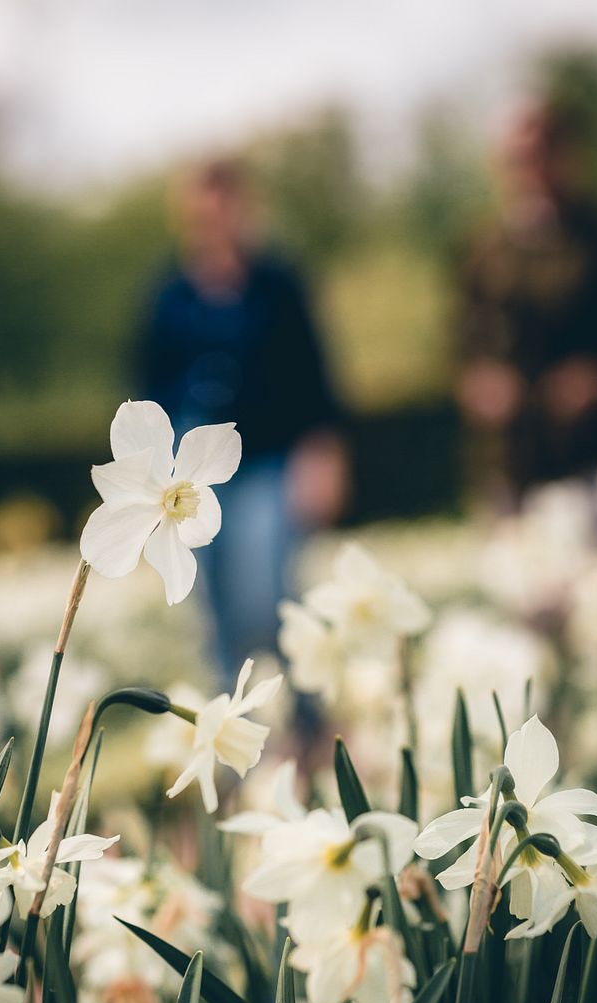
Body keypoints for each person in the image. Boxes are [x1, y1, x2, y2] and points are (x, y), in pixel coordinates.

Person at [137, 158, 346, 681]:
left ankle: (302, 716)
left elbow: (316, 378)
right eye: (203, 212)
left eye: (226, 208)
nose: (215, 222)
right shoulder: (169, 297)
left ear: (245, 209)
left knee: (267, 591)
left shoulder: (280, 286)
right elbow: (147, 396)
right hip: (189, 475)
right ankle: (230, 718)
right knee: (212, 601)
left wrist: (325, 455)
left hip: (267, 461)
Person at [457, 101, 597, 506]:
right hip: (512, 462)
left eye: (544, 152)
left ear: (571, 153)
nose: (533, 168)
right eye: (519, 158)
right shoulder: (483, 252)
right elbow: (464, 344)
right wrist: (481, 386)